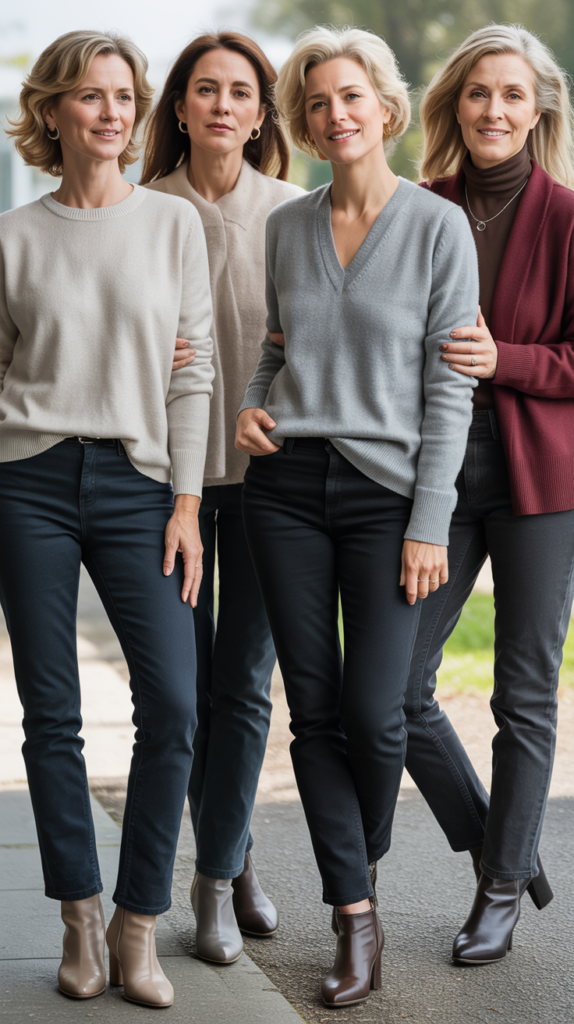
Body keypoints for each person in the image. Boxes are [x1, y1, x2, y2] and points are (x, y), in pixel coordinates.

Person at [235, 26, 479, 1008]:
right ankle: (353, 909)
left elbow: (448, 391)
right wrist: (251, 407)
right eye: (318, 102)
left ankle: (357, 852)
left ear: (383, 104)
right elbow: (275, 352)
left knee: (379, 716)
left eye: (351, 96)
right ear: (306, 122)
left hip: (388, 498)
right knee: (317, 709)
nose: (336, 114)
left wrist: (430, 520)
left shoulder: (435, 227)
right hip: (285, 487)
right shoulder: (285, 227)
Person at [0, 31, 214, 1006]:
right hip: (28, 481)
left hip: (139, 486)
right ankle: (78, 918)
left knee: (173, 701)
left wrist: (186, 503)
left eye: (124, 96)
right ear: (52, 112)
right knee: (51, 716)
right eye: (90, 96)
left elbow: (196, 369)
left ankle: (139, 925)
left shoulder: (171, 228)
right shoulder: (12, 237)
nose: (113, 112)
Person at [403, 23, 574, 964]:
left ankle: (500, 889)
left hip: (540, 482)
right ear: (453, 107)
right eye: (477, 93)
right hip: (436, 478)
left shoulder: (571, 215)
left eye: (512, 94)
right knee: (391, 687)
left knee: (525, 696)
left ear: (537, 107)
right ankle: (501, 845)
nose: (494, 110)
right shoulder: (420, 207)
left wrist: (505, 360)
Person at [141, 32, 303, 965]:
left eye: (241, 91)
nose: (222, 105)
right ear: (180, 105)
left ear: (259, 112)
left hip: (265, 486)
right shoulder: (141, 208)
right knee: (185, 694)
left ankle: (219, 876)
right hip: (161, 485)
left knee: (242, 688)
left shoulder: (293, 209)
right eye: (206, 89)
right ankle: (229, 855)